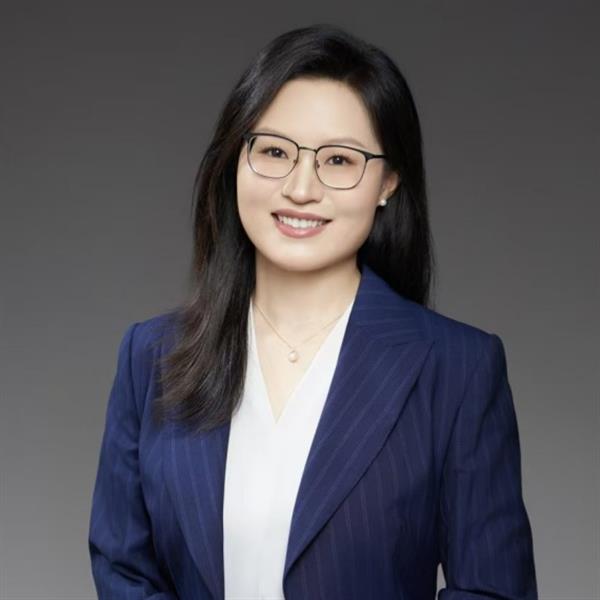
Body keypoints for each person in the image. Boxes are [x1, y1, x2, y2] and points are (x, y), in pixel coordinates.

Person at [88, 23, 538, 600]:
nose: (301, 188)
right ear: (236, 159)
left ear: (388, 181)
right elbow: (125, 571)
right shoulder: (150, 356)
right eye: (275, 151)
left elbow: (492, 590)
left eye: (340, 160)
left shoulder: (457, 370)